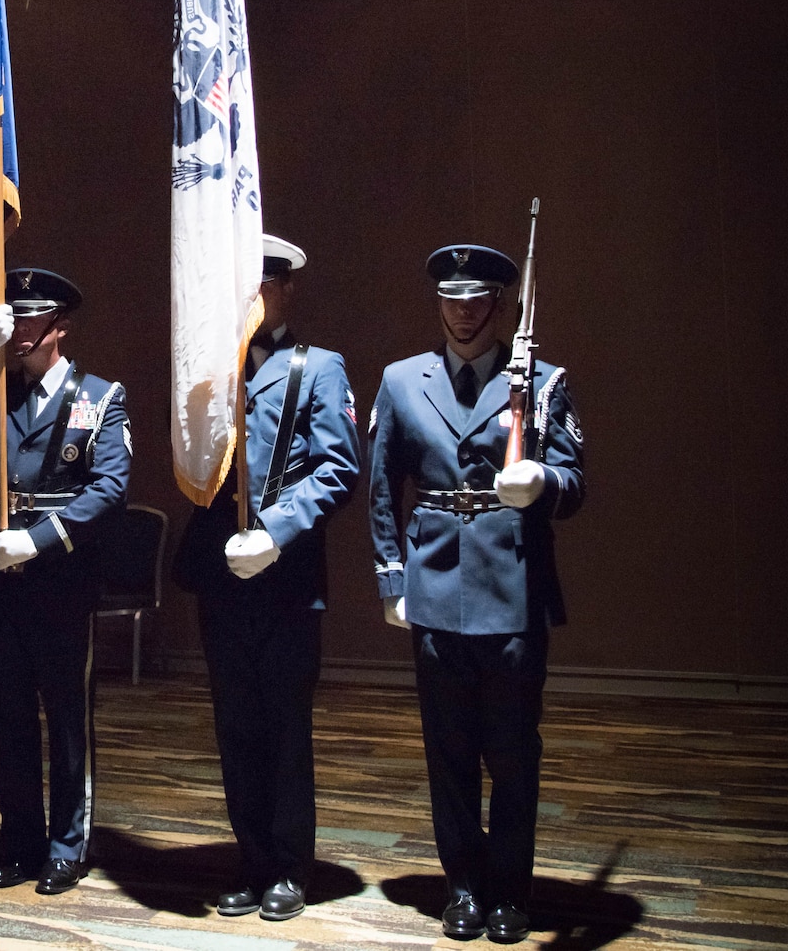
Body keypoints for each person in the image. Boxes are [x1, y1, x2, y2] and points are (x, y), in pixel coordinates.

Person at [367, 243, 585, 945]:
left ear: (501, 305)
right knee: (449, 749)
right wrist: (392, 579)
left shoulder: (543, 384)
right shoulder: (403, 382)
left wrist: (543, 484)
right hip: (433, 587)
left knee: (514, 752)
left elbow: (576, 482)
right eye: (449, 299)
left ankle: (510, 893)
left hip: (512, 587)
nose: (461, 312)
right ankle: (461, 885)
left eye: (476, 299)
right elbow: (381, 489)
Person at [172, 234, 359, 922]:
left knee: (284, 724)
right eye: (242, 290)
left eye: (264, 287)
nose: (253, 300)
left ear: (286, 291)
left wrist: (276, 531)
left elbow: (339, 467)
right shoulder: (210, 370)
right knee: (234, 724)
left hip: (283, 575)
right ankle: (250, 860)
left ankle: (288, 865)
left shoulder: (319, 368)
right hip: (223, 573)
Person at [0, 268, 131, 896]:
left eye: (30, 320)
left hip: (59, 577)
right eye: (13, 320)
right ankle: (20, 842)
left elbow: (108, 489)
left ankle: (66, 846)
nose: (19, 331)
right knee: (9, 718)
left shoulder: (101, 398)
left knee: (66, 718)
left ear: (59, 327)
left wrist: (39, 537)